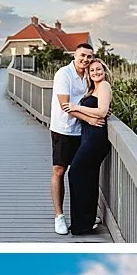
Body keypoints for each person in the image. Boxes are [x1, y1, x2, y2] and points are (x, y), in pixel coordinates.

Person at [49, 42, 94, 236]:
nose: (85, 60)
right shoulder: (63, 74)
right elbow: (64, 105)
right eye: (82, 55)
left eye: (89, 57)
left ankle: (83, 214)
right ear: (75, 55)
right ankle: (59, 216)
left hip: (82, 130)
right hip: (64, 129)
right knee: (60, 171)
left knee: (81, 173)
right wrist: (92, 118)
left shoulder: (90, 75)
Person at [65, 57, 113, 236]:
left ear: (104, 70)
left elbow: (101, 111)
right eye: (92, 70)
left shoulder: (104, 86)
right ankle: (86, 221)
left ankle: (82, 222)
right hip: (87, 137)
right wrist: (77, 109)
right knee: (89, 178)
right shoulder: (92, 88)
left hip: (96, 139)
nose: (96, 72)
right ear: (88, 73)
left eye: (98, 69)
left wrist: (75, 107)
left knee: (75, 173)